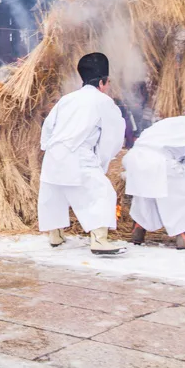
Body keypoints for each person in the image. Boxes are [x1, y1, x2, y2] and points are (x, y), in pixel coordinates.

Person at [38, 53, 126, 255]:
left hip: (53, 153)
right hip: (78, 154)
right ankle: (99, 240)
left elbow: (48, 127)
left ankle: (56, 236)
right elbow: (112, 136)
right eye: (108, 83)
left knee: (55, 193)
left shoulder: (67, 99)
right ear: (103, 82)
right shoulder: (103, 101)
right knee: (101, 192)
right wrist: (102, 161)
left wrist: (47, 147)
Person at [124, 93, 185, 250]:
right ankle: (184, 238)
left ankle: (138, 231)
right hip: (159, 162)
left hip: (135, 159)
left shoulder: (170, 121)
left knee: (146, 196)